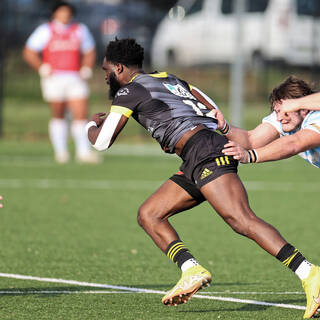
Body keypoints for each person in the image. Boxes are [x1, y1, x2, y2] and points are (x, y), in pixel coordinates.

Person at [86, 39, 320, 318]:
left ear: (119, 68)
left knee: (241, 219)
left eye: (106, 69)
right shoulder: (169, 78)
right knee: (150, 213)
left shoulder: (128, 91)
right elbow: (206, 103)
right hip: (199, 154)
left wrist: (90, 123)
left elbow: (101, 142)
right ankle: (191, 269)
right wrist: (220, 126)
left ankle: (311, 274)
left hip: (204, 151)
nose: (104, 76)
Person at [23, 1, 100, 164]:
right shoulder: (45, 30)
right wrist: (41, 67)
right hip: (54, 78)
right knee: (58, 114)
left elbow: (90, 50)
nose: (65, 15)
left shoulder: (79, 29)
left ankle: (83, 152)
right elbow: (29, 51)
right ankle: (61, 151)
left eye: (67, 12)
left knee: (80, 114)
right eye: (61, 12)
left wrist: (86, 67)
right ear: (55, 14)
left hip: (75, 77)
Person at [221, 76, 320, 167]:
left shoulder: (316, 116)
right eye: (277, 112)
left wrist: (250, 156)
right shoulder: (287, 118)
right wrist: (223, 126)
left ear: (304, 109)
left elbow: (294, 143)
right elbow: (251, 140)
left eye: (284, 110)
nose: (279, 118)